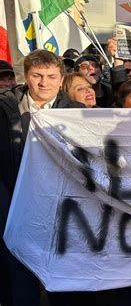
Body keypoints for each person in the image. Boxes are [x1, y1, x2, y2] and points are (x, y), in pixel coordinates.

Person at [0, 49, 84, 306]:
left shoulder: (78, 111)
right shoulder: (4, 108)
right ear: (26, 77)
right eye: (37, 75)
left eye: (51, 76)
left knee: (62, 275)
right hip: (15, 203)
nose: (44, 82)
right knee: (20, 273)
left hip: (61, 207)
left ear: (62, 79)